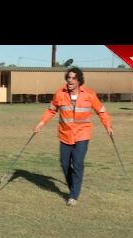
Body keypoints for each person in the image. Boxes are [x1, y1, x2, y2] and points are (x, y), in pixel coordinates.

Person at [33, 67, 113, 206]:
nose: (70, 80)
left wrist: (108, 126)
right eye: (68, 78)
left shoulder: (89, 94)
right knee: (64, 164)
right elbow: (51, 110)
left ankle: (73, 195)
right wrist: (41, 123)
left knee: (77, 163)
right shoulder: (59, 93)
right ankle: (73, 188)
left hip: (82, 134)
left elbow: (101, 111)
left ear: (79, 80)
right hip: (65, 134)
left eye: (73, 78)